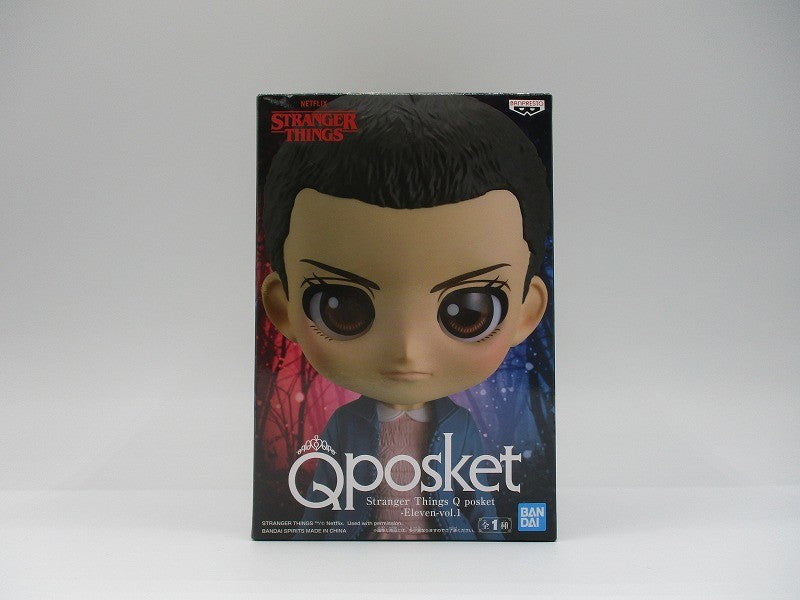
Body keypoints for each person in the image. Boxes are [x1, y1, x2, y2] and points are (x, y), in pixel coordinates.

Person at [260, 95, 550, 540]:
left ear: (526, 313)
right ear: (284, 309)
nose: (407, 349)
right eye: (342, 306)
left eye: (468, 312)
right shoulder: (344, 426)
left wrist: (496, 550)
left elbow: (479, 502)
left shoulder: (461, 427)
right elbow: (320, 501)